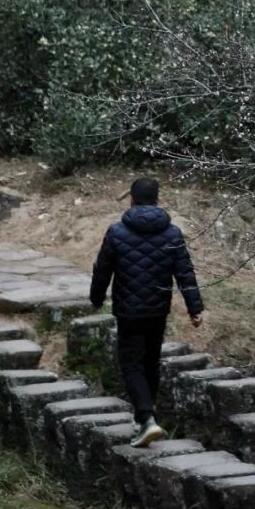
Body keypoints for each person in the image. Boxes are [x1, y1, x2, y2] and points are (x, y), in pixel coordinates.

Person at [89, 176, 205, 447]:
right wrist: (195, 308)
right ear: (157, 200)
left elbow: (102, 268)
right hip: (157, 309)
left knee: (131, 364)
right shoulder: (172, 233)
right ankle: (145, 420)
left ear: (131, 198)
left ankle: (146, 417)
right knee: (151, 362)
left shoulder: (117, 231)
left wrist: (96, 298)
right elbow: (185, 274)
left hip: (128, 310)